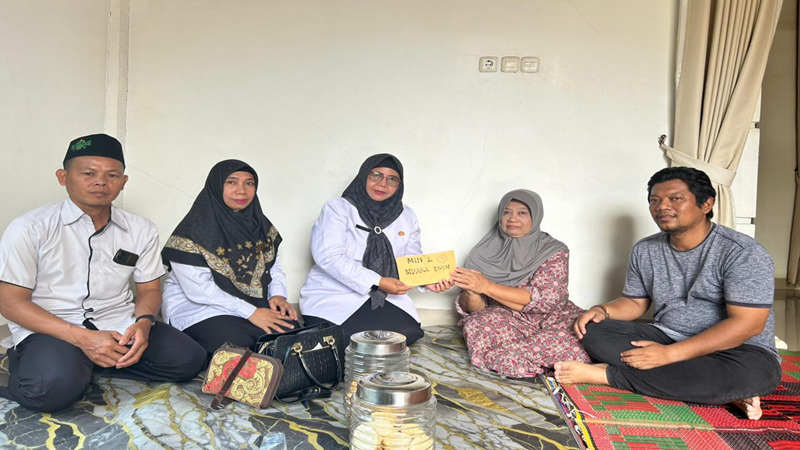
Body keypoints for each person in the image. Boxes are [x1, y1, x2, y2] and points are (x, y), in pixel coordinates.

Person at [0, 133, 206, 412]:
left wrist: (144, 323)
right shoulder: (30, 228)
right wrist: (82, 339)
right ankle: (53, 362)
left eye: (112, 175)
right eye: (88, 173)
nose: (101, 182)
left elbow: (149, 289)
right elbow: (10, 303)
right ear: (63, 177)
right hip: (52, 327)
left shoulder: (141, 229)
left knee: (189, 359)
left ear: (124, 181)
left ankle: (88, 363)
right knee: (49, 390)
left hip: (117, 322)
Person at [554, 167, 779, 420]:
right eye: (655, 200)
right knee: (593, 330)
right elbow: (634, 302)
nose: (662, 206)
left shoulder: (742, 252)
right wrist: (602, 310)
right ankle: (718, 390)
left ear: (706, 204)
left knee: (757, 375)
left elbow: (748, 324)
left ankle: (608, 375)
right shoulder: (646, 249)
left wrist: (669, 355)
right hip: (667, 336)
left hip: (735, 349)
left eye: (675, 198)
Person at [161, 159, 299, 359]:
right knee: (236, 341)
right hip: (200, 308)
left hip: (252, 305)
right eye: (231, 182)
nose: (241, 190)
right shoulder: (193, 230)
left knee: (291, 332)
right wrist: (252, 313)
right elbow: (199, 291)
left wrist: (277, 295)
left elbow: (272, 264)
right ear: (216, 186)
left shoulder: (259, 225)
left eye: (249, 183)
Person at [299, 154, 440, 345]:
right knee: (349, 338)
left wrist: (427, 280)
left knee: (407, 333)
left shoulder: (406, 215)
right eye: (376, 175)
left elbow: (411, 260)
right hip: (336, 294)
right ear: (364, 175)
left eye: (392, 179)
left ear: (399, 185)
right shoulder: (337, 209)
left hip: (387, 296)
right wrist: (377, 281)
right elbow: (329, 257)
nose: (383, 184)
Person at [450, 189, 590, 378]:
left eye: (522, 213)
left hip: (552, 318)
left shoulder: (553, 250)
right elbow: (476, 309)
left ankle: (513, 358)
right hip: (505, 318)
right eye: (506, 212)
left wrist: (487, 286)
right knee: (477, 325)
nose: (512, 219)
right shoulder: (481, 253)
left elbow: (547, 301)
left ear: (535, 216)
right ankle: (538, 361)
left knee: (582, 334)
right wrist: (472, 291)